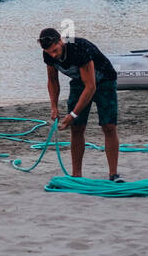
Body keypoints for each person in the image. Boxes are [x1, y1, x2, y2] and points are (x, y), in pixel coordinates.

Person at [38, 27, 123, 183]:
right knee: (76, 128)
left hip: (104, 80)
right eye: (49, 52)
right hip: (78, 82)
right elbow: (53, 80)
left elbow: (90, 87)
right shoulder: (48, 54)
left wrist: (73, 114)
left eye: (55, 50)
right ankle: (77, 175)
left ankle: (114, 174)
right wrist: (54, 106)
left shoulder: (78, 49)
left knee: (108, 126)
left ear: (61, 41)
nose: (53, 55)